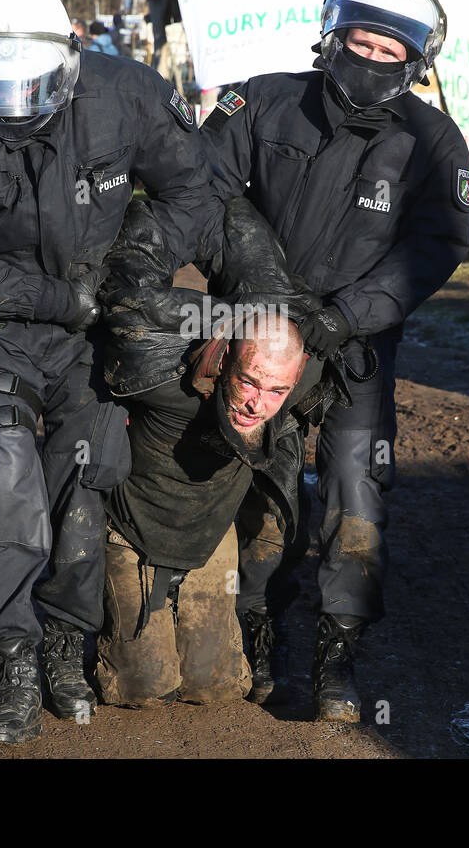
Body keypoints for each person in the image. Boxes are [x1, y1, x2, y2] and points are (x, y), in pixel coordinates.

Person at [0, 0, 223, 745]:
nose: (11, 108)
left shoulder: (128, 95)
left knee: (83, 486)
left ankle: (68, 644)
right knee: (5, 483)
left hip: (99, 327)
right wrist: (53, 299)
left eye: (29, 88)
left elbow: (191, 193)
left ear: (68, 61)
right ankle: (13, 659)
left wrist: (133, 271)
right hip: (2, 324)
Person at [200, 0, 469, 723]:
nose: (373, 59)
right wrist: (258, 291)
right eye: (362, 41)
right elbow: (204, 193)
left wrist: (348, 315)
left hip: (358, 345)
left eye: (393, 53)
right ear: (332, 34)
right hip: (257, 337)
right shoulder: (261, 101)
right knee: (260, 489)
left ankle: (337, 659)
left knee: (356, 493)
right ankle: (258, 640)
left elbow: (437, 246)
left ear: (419, 63)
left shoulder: (433, 141)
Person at [92, 197, 336, 706]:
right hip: (134, 530)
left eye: (275, 391)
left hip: (208, 538)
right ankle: (79, 625)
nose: (256, 403)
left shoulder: (301, 377)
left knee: (215, 688)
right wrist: (229, 314)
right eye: (248, 381)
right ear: (225, 357)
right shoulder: (159, 376)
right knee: (142, 687)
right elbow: (125, 298)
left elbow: (310, 319)